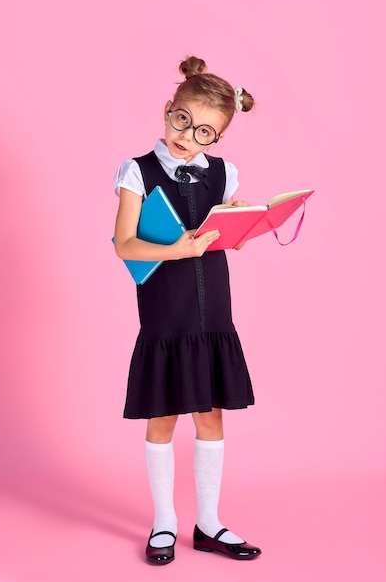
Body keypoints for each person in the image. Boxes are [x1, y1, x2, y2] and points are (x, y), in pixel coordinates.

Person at [113, 56, 261, 565]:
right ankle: (164, 524)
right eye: (182, 120)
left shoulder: (223, 174)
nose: (189, 137)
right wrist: (180, 249)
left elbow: (230, 242)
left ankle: (209, 523)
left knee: (211, 417)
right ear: (169, 109)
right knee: (162, 421)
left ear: (217, 138)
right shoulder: (139, 171)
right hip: (165, 320)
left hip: (213, 319)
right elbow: (125, 245)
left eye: (204, 132)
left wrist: (247, 223)